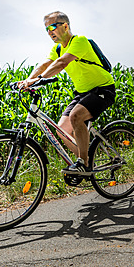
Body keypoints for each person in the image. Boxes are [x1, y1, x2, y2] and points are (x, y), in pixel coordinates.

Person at [18, 11, 115, 175]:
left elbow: (62, 63)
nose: (49, 32)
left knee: (76, 116)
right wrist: (28, 80)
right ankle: (86, 163)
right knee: (61, 130)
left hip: (103, 89)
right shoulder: (57, 49)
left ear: (65, 26)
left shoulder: (80, 41)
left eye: (52, 27)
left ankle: (82, 163)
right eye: (46, 29)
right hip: (82, 93)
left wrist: (39, 79)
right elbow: (45, 64)